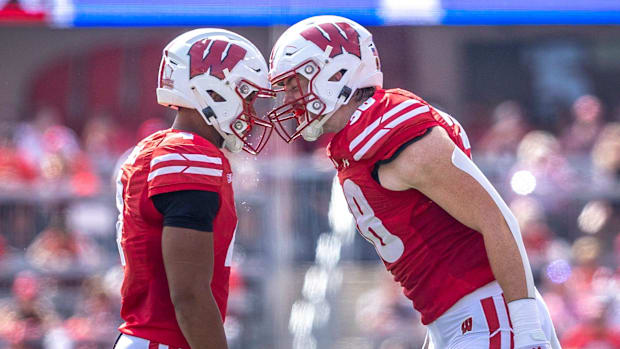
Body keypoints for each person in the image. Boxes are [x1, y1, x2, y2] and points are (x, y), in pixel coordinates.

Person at [268, 15, 561, 349]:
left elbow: (496, 218)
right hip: (459, 320)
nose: (289, 99)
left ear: (337, 74)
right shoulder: (355, 143)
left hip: (491, 314)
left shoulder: (390, 129)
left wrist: (525, 326)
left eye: (295, 84)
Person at [114, 28, 273, 349]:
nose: (252, 111)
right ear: (212, 91)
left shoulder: (159, 146)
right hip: (167, 340)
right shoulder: (190, 155)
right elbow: (189, 296)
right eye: (248, 95)